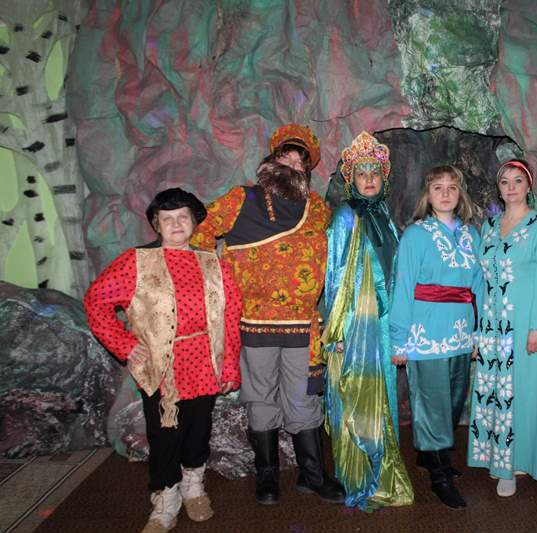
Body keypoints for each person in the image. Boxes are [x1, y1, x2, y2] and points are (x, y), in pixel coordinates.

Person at [190, 124, 344, 506]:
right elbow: (201, 233)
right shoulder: (242, 199)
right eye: (285, 156)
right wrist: (217, 286)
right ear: (271, 161)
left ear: (307, 170)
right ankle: (267, 475)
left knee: (303, 398)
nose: (292, 164)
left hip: (303, 325)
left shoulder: (318, 209)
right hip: (255, 323)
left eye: (300, 160)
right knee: (260, 399)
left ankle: (312, 475)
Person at [84, 188, 243, 533]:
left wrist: (229, 364)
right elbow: (96, 301)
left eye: (183, 216)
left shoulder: (213, 263)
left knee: (198, 427)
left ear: (194, 222)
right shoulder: (135, 262)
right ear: (156, 224)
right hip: (161, 366)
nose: (176, 224)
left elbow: (231, 316)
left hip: (205, 361)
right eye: (167, 219)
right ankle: (166, 498)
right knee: (164, 433)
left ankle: (194, 487)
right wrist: (124, 344)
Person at [321, 131, 414, 511]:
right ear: (352, 181)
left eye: (375, 172)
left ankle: (383, 474)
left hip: (384, 322)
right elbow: (335, 275)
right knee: (359, 399)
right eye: (362, 174)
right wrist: (337, 330)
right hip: (357, 326)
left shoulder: (385, 215)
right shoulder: (345, 217)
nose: (369, 179)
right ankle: (361, 477)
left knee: (384, 397)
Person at [389, 164, 483, 509]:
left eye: (452, 187)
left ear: (460, 194)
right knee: (432, 405)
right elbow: (403, 287)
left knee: (454, 401)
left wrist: (478, 332)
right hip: (424, 334)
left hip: (460, 333)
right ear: (427, 195)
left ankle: (430, 454)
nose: (445, 193)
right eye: (438, 187)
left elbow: (479, 286)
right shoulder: (415, 235)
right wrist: (399, 339)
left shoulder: (471, 235)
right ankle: (440, 475)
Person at [467, 159, 537, 497]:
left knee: (521, 391)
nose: (511, 187)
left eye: (518, 180)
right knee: (493, 389)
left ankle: (515, 463)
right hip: (492, 325)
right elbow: (481, 281)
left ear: (528, 185)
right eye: (505, 181)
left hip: (523, 326)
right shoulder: (489, 226)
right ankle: (495, 456)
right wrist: (478, 329)